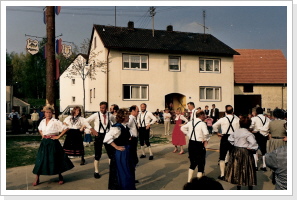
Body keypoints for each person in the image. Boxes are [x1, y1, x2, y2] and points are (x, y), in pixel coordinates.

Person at [32, 105, 74, 186]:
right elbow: (39, 129)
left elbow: (66, 128)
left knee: (56, 159)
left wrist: (58, 136)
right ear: (44, 113)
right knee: (40, 160)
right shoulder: (42, 121)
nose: (48, 114)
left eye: (50, 112)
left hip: (53, 142)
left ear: (52, 113)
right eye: (46, 112)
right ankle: (37, 177)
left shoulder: (55, 121)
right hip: (44, 142)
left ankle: (60, 176)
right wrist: (42, 135)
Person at [103, 108, 136, 190]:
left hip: (127, 152)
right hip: (121, 154)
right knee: (123, 173)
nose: (129, 118)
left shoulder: (125, 126)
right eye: (127, 116)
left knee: (129, 171)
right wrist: (116, 146)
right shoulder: (117, 127)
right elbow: (107, 138)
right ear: (123, 117)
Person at [224, 116, 258, 190]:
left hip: (236, 150)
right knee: (248, 169)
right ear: (249, 124)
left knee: (237, 169)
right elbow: (253, 143)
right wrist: (250, 147)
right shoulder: (248, 134)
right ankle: (249, 186)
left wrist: (235, 143)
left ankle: (238, 187)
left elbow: (230, 138)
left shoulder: (236, 131)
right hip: (245, 151)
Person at [87, 101, 114, 179]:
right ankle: (96, 171)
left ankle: (111, 169)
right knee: (98, 153)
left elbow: (115, 122)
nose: (102, 109)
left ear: (106, 108)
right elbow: (85, 121)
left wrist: (112, 131)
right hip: (99, 135)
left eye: (104, 108)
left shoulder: (110, 115)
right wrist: (92, 129)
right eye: (101, 108)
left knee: (110, 153)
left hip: (108, 135)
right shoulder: (96, 115)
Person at [212, 105, 240, 180]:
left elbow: (214, 125)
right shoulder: (237, 119)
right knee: (234, 156)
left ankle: (222, 174)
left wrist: (217, 132)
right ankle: (233, 174)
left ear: (225, 111)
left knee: (222, 157)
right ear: (233, 111)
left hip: (225, 137)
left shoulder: (223, 119)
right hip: (234, 138)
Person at [181, 111, 210, 182]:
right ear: (201, 115)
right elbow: (206, 133)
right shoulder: (202, 123)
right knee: (201, 163)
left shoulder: (191, 122)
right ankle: (199, 183)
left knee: (193, 163)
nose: (205, 117)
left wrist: (188, 134)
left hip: (191, 143)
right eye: (204, 115)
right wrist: (205, 139)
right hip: (199, 144)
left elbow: (182, 128)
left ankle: (189, 181)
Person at [250, 107, 271, 171]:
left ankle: (255, 165)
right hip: (264, 135)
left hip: (256, 134)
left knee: (254, 150)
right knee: (263, 150)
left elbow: (251, 126)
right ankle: (264, 165)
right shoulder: (267, 119)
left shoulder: (254, 118)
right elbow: (269, 127)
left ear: (256, 112)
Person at [127, 105, 140, 182]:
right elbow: (126, 127)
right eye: (137, 111)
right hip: (131, 141)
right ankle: (130, 178)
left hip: (134, 140)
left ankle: (132, 177)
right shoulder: (130, 119)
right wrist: (130, 136)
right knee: (132, 159)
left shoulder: (134, 119)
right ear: (133, 111)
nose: (138, 112)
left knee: (134, 160)